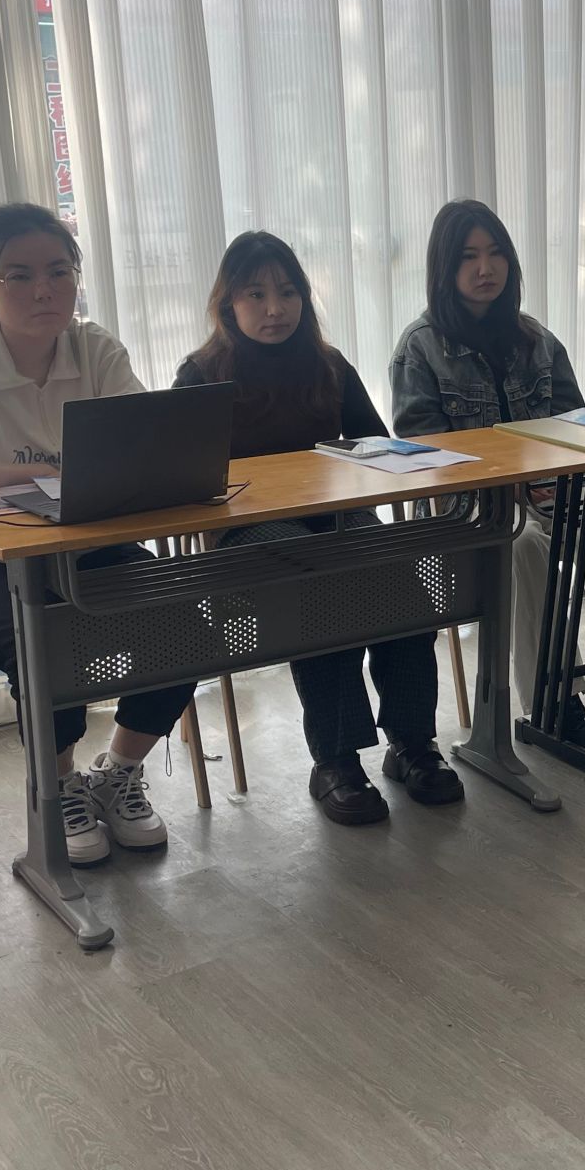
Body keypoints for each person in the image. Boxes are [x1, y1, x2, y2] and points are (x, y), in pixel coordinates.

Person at [0, 202, 194, 867]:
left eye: (60, 272)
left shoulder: (95, 348)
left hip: (88, 544)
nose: (44, 290)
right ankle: (59, 787)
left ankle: (116, 772)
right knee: (46, 643)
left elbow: (146, 442)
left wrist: (37, 473)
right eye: (20, 275)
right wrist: (66, 469)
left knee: (185, 624)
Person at [174, 230, 461, 824]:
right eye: (255, 295)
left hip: (337, 514)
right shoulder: (202, 373)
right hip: (248, 529)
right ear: (228, 303)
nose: (274, 308)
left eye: (287, 292)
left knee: (404, 583)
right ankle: (335, 759)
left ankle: (412, 743)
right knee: (324, 588)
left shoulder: (328, 365)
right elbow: (180, 480)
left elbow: (376, 445)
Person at [390, 199, 585, 750]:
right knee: (521, 543)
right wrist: (504, 479)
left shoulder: (536, 339)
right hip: (468, 507)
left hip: (550, 487)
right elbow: (426, 454)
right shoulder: (420, 348)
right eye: (468, 257)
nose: (485, 268)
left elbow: (573, 425)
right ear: (444, 268)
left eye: (495, 254)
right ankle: (552, 695)